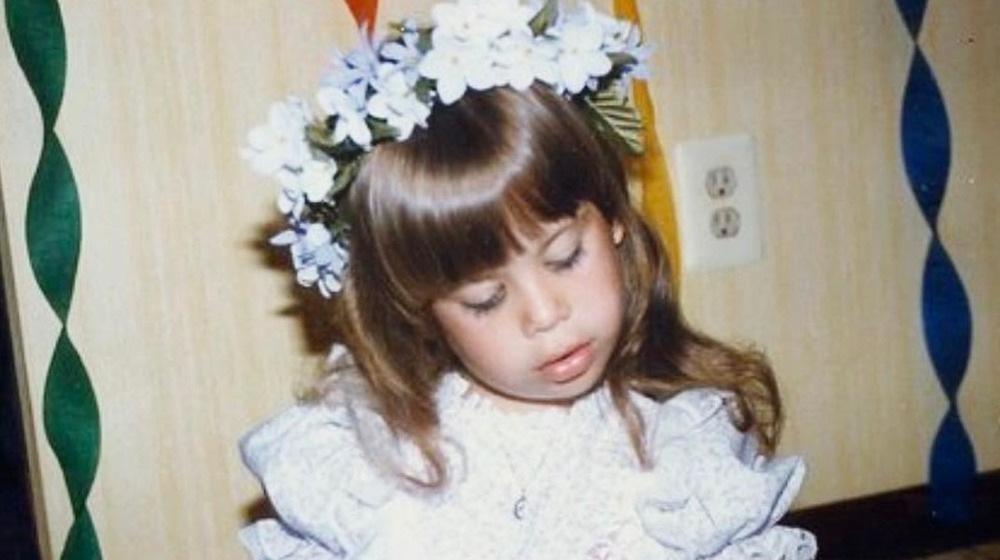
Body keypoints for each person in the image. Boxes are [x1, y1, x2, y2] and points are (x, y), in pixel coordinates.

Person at [239, 1, 817, 558]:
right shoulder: (374, 474)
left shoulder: (687, 462)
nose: (545, 314)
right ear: (420, 310)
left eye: (565, 257)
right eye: (485, 299)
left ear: (613, 219)